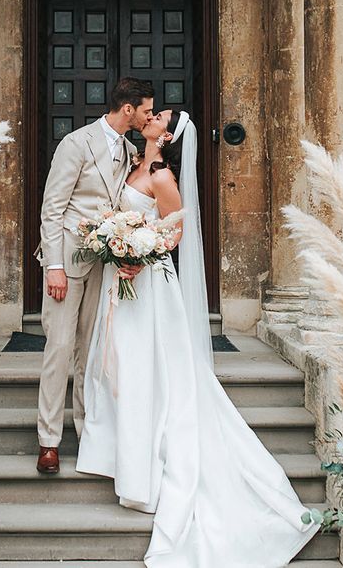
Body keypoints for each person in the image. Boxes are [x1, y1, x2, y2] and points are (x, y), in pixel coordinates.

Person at [76, 109, 320, 567]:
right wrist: (115, 242)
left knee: (152, 369)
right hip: (125, 283)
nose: (150, 115)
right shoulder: (131, 162)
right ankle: (118, 450)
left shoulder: (162, 175)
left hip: (148, 283)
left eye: (158, 115)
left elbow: (175, 232)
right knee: (123, 365)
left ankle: (143, 465)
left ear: (165, 135)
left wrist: (137, 251)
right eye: (150, 111)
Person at [34, 77, 153, 474]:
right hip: (67, 262)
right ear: (127, 109)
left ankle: (87, 435)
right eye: (146, 110)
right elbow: (53, 208)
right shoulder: (76, 144)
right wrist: (54, 266)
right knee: (60, 348)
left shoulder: (130, 148)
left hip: (103, 263)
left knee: (91, 351)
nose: (148, 116)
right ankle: (49, 441)